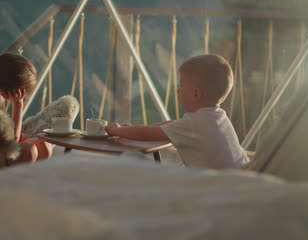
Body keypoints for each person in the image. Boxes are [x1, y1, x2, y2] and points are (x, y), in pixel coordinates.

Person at [105, 54, 250, 169]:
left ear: (196, 94)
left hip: (216, 187)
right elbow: (170, 125)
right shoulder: (218, 117)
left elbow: (143, 134)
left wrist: (116, 131)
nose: (178, 90)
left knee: (134, 159)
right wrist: (129, 129)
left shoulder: (193, 125)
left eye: (181, 86)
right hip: (238, 176)